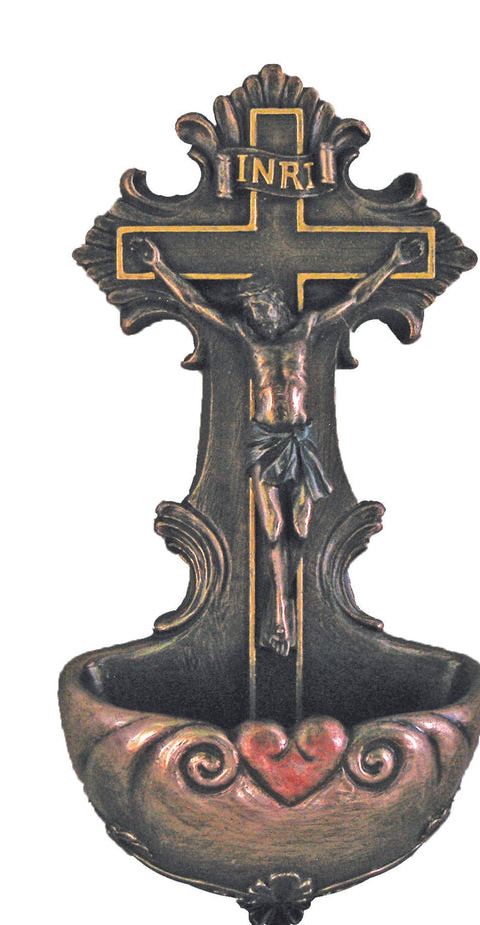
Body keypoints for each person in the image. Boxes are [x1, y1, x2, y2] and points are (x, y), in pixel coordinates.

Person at [132, 235, 424, 655]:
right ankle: (280, 609)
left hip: (300, 440)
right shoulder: (248, 339)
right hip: (265, 442)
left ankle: (292, 598)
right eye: (250, 309)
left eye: (259, 306)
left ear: (275, 303)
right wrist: (159, 266)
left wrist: (394, 262)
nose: (255, 314)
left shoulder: (306, 329)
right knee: (272, 527)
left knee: (301, 527)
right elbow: (196, 305)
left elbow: (356, 297)